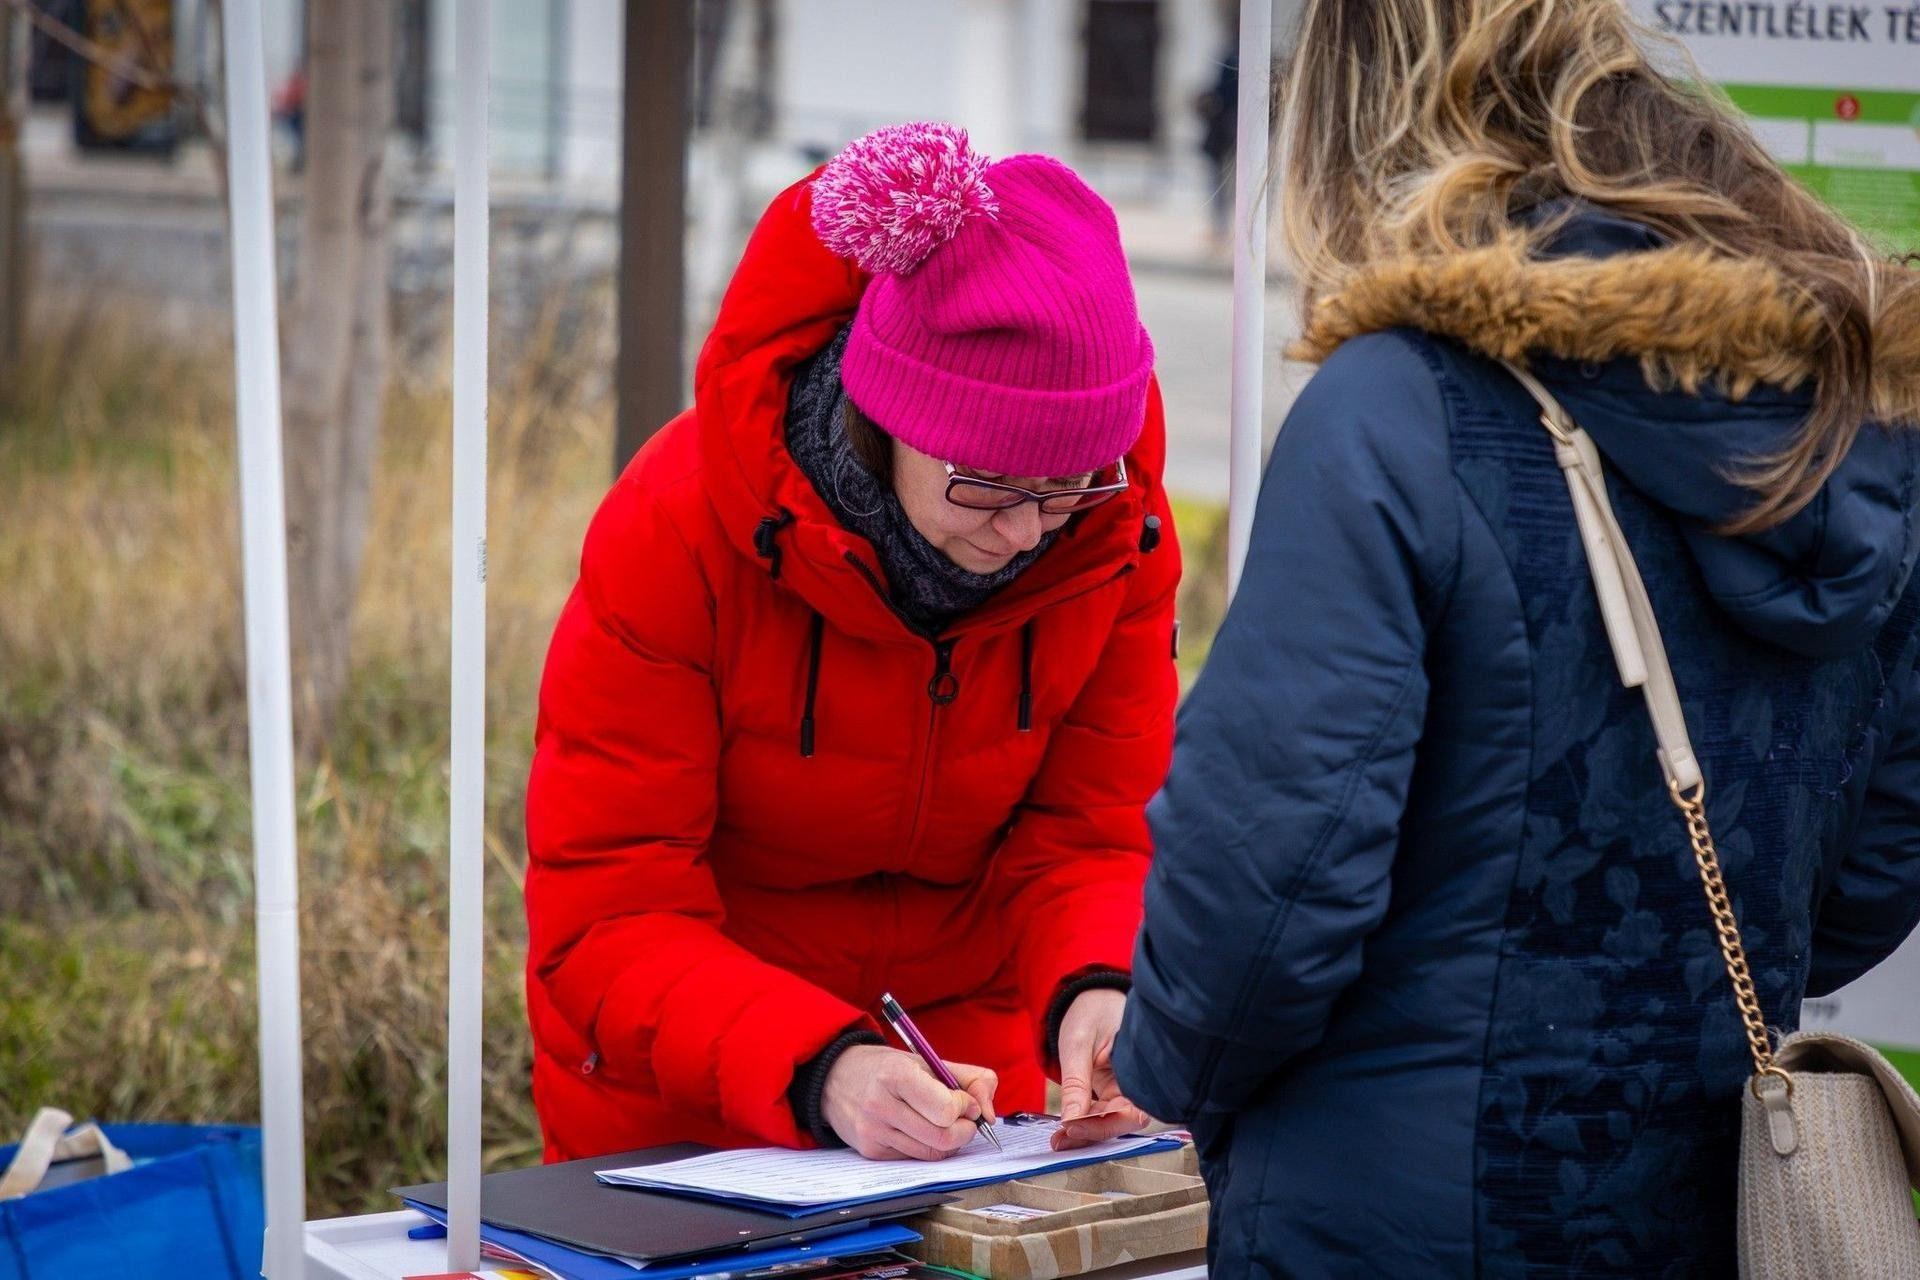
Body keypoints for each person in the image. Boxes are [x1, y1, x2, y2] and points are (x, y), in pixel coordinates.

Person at [1113, 1, 1920, 1274]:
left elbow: (1266, 886)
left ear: (1365, 120)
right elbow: (1873, 863)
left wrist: (1163, 1070)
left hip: (1392, 1218)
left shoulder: (1396, 409)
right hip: (1718, 1203)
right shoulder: (1860, 425)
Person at [524, 123, 1179, 1165]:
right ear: (886, 417)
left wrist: (1099, 984)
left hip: (971, 1087)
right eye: (989, 488)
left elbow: (1089, 834)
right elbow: (608, 911)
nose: (1023, 533)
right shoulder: (678, 525)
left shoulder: (1113, 535)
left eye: (1063, 491)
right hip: (692, 1091)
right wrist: (823, 1066)